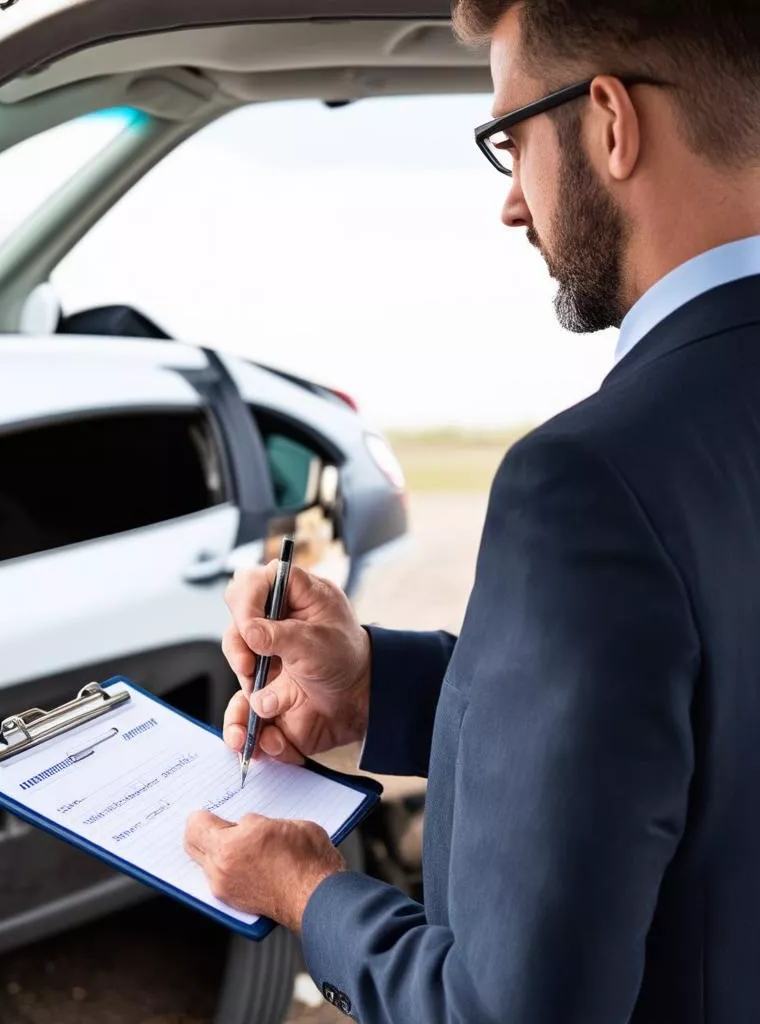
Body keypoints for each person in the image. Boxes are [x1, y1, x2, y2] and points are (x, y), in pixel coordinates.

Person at [182, 1, 760, 1021]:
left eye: (511, 139)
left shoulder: (588, 483)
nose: (510, 204)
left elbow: (506, 1010)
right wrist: (373, 688)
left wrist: (305, 891)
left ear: (611, 123)